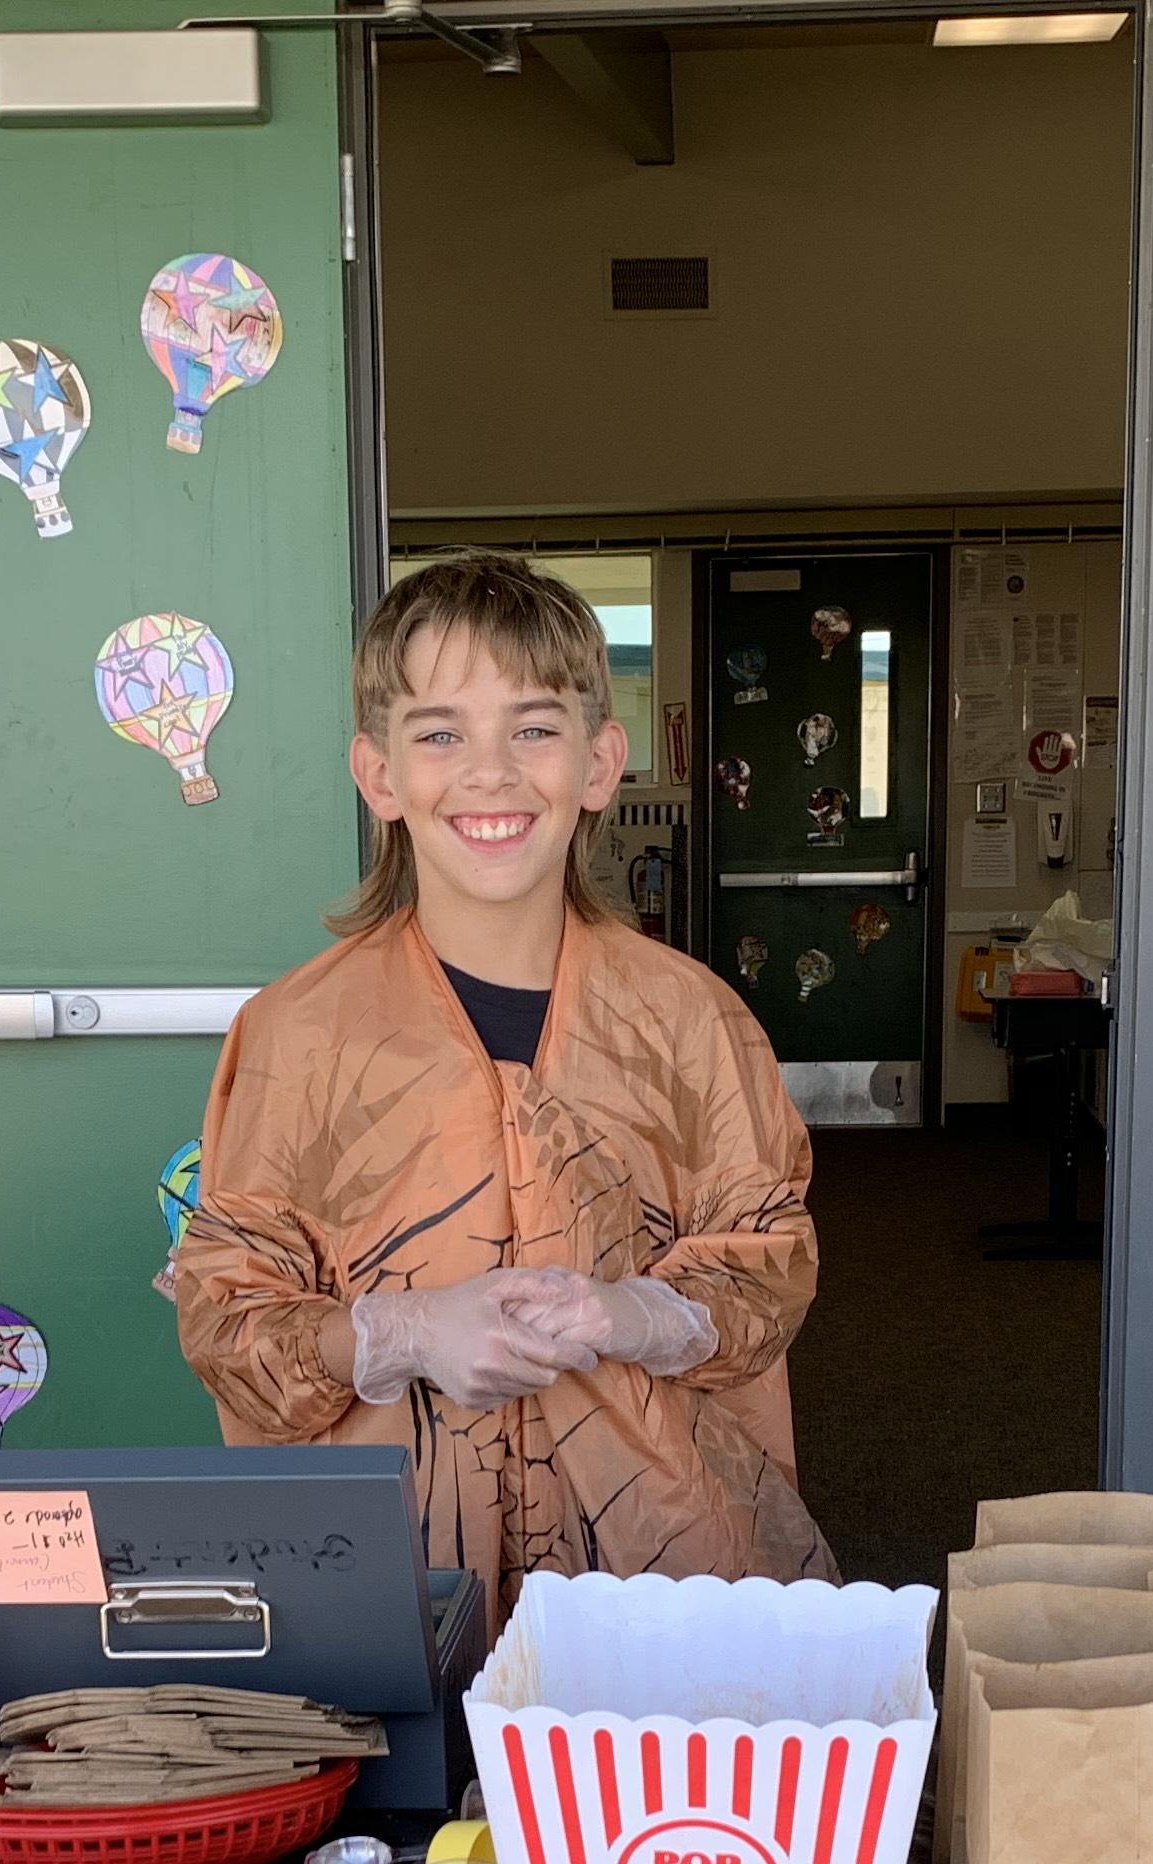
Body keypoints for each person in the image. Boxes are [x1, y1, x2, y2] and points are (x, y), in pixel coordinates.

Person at [173, 552, 835, 1602]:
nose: (489, 773)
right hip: (392, 1573)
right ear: (380, 775)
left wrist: (633, 1313)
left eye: (534, 728)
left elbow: (768, 1264)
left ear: (600, 762)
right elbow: (227, 1317)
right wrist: (398, 1331)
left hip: (660, 1557)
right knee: (418, 1766)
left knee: (637, 1771)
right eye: (440, 733)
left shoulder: (693, 1022)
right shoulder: (295, 1036)